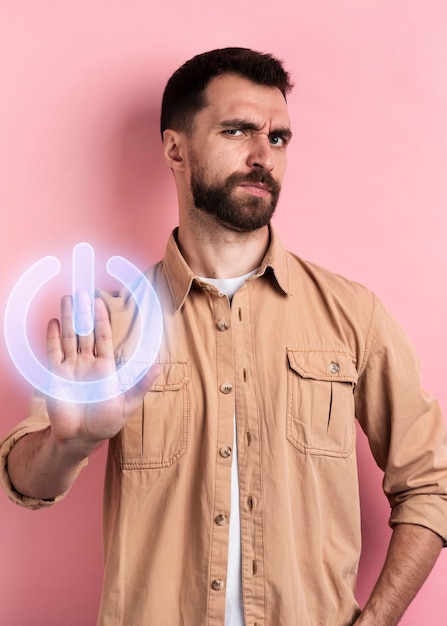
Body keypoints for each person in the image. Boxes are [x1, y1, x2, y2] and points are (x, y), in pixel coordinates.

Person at [1, 47, 446, 626]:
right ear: (175, 149)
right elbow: (22, 480)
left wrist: (379, 620)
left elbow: (432, 483)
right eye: (238, 131)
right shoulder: (110, 322)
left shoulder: (352, 314)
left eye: (280, 138)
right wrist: (70, 443)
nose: (265, 156)